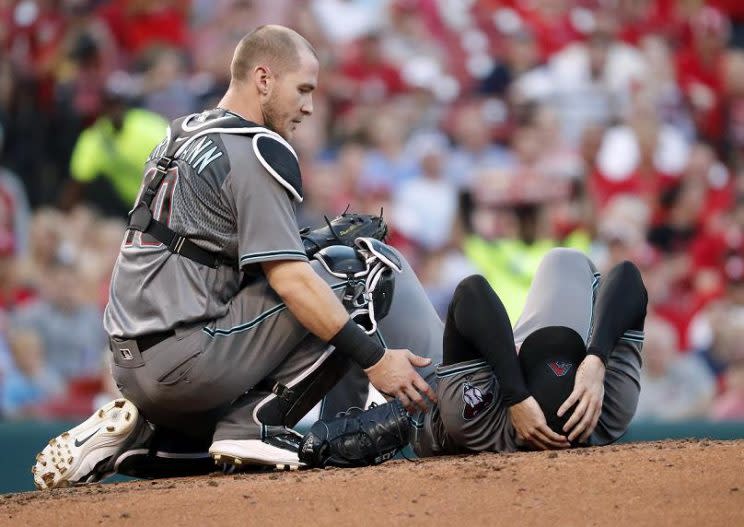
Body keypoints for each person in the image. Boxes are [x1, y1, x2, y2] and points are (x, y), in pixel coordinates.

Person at [33, 25, 441, 490]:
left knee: (312, 265)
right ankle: (256, 424)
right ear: (263, 80)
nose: (308, 107)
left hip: (130, 360)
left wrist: (307, 243)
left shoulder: (180, 132)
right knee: (354, 270)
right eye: (303, 89)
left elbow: (213, 253)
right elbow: (292, 283)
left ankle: (150, 437)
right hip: (186, 360)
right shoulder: (258, 147)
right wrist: (376, 360)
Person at [411, 248, 646, 456]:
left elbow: (470, 292)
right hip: (513, 381)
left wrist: (515, 396)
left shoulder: (479, 422)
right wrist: (596, 359)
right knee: (565, 259)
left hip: (448, 410)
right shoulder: (609, 412)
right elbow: (627, 276)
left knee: (386, 274)